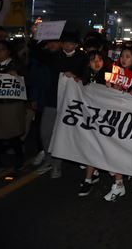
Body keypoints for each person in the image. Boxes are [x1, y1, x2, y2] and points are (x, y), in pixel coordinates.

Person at [34, 31, 87, 179]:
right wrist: (36, 37)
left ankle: (56, 165)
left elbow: (87, 76)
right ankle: (48, 159)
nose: (68, 46)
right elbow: (36, 53)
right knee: (45, 133)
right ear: (61, 44)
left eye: (72, 43)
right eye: (65, 43)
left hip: (71, 102)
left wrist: (77, 77)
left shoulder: (82, 57)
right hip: (52, 100)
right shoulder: (54, 56)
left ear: (76, 45)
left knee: (61, 135)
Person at [104, 47, 132, 201]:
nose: (124, 59)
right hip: (117, 117)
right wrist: (110, 87)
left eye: (128, 56)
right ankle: (119, 183)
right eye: (122, 56)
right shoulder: (115, 73)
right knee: (115, 149)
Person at [0, 40, 28, 174]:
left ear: (9, 52)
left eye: (1, 49)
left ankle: (20, 158)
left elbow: (29, 81)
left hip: (11, 105)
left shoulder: (19, 65)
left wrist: (19, 76)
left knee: (12, 134)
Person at [77, 51, 107, 197]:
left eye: (100, 59)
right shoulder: (83, 78)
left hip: (104, 120)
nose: (97, 63)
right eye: (93, 60)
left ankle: (89, 178)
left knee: (96, 148)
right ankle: (91, 176)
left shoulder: (108, 77)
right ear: (88, 63)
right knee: (91, 147)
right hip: (88, 119)